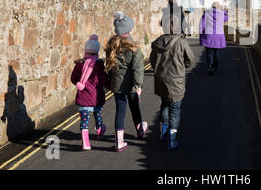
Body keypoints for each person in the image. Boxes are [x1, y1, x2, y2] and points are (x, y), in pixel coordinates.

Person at [150, 14, 195, 150]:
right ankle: (172, 139)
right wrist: (182, 67)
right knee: (175, 110)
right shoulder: (181, 42)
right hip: (176, 81)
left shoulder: (156, 42)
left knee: (164, 105)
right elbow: (190, 60)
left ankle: (163, 134)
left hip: (161, 80)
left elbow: (152, 62)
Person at [105, 11, 148, 152]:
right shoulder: (134, 47)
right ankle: (140, 130)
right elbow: (137, 68)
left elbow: (109, 66)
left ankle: (119, 142)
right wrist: (139, 85)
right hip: (131, 86)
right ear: (129, 29)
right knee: (135, 108)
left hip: (117, 85)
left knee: (120, 111)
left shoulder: (111, 45)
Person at [71, 34, 110, 151]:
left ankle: (86, 143)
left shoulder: (79, 64)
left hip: (84, 96)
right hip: (96, 97)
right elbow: (103, 80)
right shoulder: (98, 65)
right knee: (97, 115)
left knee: (84, 120)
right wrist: (110, 84)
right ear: (97, 51)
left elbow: (73, 78)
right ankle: (99, 130)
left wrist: (80, 83)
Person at [199, 2, 228, 75]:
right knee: (216, 51)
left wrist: (202, 35)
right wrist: (223, 11)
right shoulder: (221, 14)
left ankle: (210, 66)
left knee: (209, 52)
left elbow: (201, 25)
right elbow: (226, 18)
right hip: (218, 36)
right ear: (218, 7)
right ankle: (216, 65)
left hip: (209, 35)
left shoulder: (206, 14)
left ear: (211, 7)